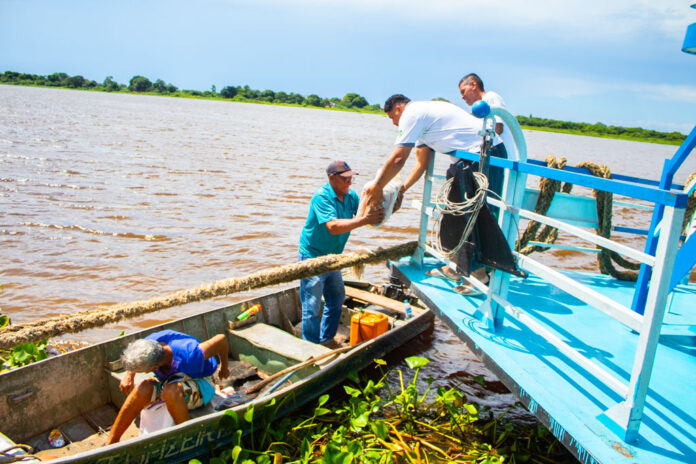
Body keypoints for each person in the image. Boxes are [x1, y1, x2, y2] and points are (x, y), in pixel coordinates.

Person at [364, 94, 508, 295]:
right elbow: (421, 163)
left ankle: (479, 275)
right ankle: (455, 267)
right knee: (453, 214)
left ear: (398, 109)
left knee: (475, 216)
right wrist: (401, 190)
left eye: (392, 118)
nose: (395, 123)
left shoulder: (412, 113)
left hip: (484, 153)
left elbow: (399, 158)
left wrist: (378, 187)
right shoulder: (423, 120)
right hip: (467, 159)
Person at [298, 160, 384, 346]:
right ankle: (310, 345)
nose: (349, 182)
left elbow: (365, 210)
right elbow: (333, 227)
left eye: (351, 177)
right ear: (332, 178)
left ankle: (327, 338)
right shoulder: (322, 197)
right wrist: (365, 220)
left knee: (336, 299)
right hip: (313, 256)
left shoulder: (351, 196)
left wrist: (383, 199)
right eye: (345, 178)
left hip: (334, 257)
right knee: (311, 305)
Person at [106, 330, 229, 444]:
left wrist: (224, 367)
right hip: (171, 379)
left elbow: (221, 339)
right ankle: (112, 441)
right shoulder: (149, 343)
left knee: (171, 392)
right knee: (142, 388)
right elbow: (136, 355)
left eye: (145, 371)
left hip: (201, 380)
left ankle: (188, 438)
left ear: (154, 367)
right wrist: (129, 375)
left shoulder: (191, 353)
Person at [458, 73, 517, 161]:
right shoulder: (480, 109)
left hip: (502, 160)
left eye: (463, 91)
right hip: (494, 158)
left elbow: (497, 128)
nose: (462, 97)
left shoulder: (490, 97)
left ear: (473, 85)